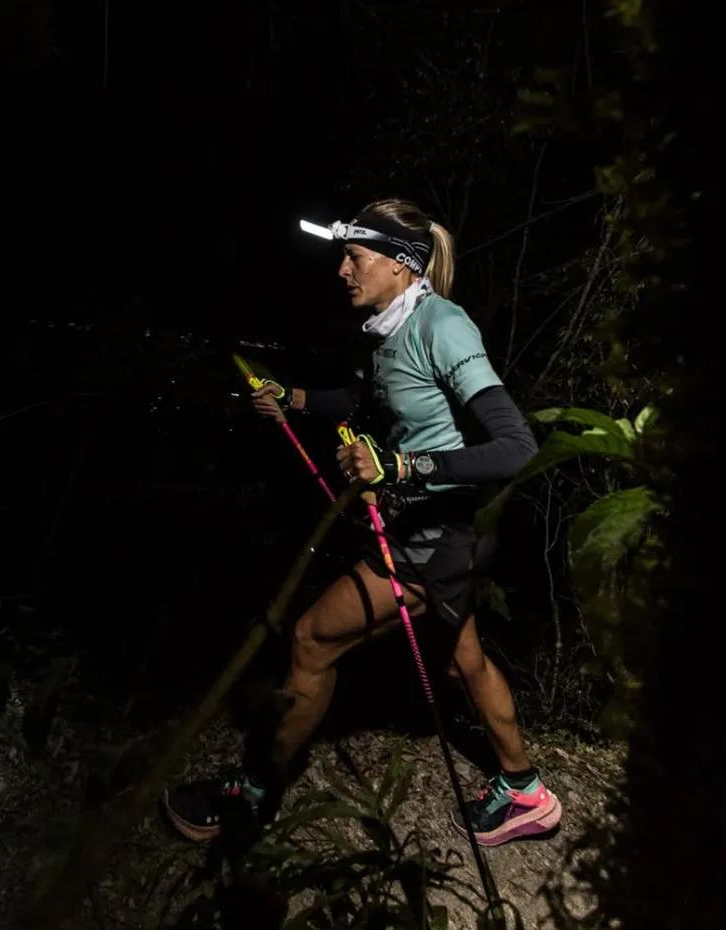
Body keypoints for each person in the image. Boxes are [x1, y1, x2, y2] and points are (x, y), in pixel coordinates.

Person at [163, 198, 562, 847]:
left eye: (355, 256)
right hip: (440, 534)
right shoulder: (386, 328)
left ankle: (255, 793)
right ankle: (525, 791)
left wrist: (399, 467)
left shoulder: (443, 326)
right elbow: (359, 399)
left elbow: (517, 445)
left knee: (313, 639)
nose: (342, 270)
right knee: (463, 661)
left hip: (431, 539)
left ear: (402, 264)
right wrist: (290, 398)